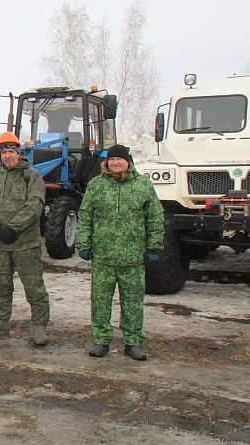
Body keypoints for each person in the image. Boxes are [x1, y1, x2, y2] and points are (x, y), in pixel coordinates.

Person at [76, 144, 163, 361]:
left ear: (128, 162)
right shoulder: (96, 185)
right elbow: (85, 216)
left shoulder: (143, 186)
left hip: (133, 257)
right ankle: (101, 339)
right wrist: (83, 244)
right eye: (111, 159)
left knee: (133, 301)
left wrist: (154, 246)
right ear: (106, 162)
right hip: (103, 257)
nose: (115, 163)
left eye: (119, 159)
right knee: (100, 300)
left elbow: (155, 217)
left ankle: (133, 342)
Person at [0, 132, 51, 346]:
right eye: (4, 153)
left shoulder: (32, 176)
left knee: (34, 286)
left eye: (11, 152)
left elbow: (34, 205)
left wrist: (13, 228)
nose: (7, 156)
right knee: (1, 285)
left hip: (25, 244)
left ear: (19, 153)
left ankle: (39, 326)